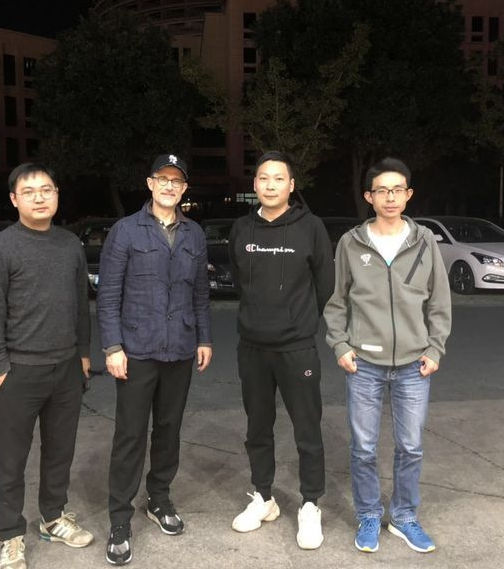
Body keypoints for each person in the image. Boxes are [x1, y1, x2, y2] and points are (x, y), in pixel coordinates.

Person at [323, 157, 452, 555]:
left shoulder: (425, 241)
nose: (390, 197)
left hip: (415, 364)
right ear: (369, 197)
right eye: (382, 190)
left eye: (397, 190)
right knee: (363, 447)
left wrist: (435, 348)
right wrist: (341, 345)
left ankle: (404, 516)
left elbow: (439, 301)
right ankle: (367, 514)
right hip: (364, 364)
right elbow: (337, 302)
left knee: (410, 447)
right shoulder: (351, 243)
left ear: (408, 194)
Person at [0, 162, 94, 569]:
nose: (39, 198)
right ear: (14, 200)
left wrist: (83, 354)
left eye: (46, 190)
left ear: (57, 194)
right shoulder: (0, 249)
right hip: (20, 371)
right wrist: (1, 368)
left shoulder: (70, 245)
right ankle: (11, 535)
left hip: (67, 368)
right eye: (29, 192)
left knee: (60, 452)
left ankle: (53, 517)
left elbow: (81, 305)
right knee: (12, 460)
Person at [98, 154, 212, 566]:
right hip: (136, 349)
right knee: (130, 434)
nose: (169, 186)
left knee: (168, 429)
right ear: (150, 183)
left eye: (176, 181)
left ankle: (159, 498)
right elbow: (108, 294)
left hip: (179, 347)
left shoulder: (194, 234)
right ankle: (120, 518)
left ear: (184, 189)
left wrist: (204, 338)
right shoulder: (126, 230)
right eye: (162, 178)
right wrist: (112, 346)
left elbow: (200, 293)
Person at [227, 151, 334, 550]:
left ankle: (310, 504)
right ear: (254, 184)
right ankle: (263, 497)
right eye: (263, 178)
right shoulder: (242, 228)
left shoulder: (311, 227)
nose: (270, 185)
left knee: (307, 430)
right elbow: (239, 280)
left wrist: (299, 322)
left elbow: (326, 284)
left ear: (291, 185)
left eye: (278, 179)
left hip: (296, 347)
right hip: (252, 347)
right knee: (257, 427)